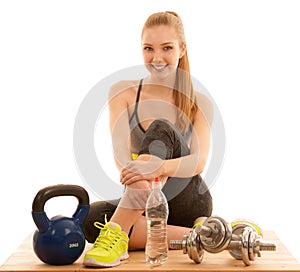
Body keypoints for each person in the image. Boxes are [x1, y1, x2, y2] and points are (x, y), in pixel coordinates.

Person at [83, 11, 213, 268]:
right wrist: (143, 184)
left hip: (187, 200)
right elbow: (121, 155)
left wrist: (156, 168)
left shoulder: (201, 102)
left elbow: (197, 163)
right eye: (148, 48)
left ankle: (118, 235)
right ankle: (200, 235)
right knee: (90, 219)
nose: (157, 58)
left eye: (167, 48)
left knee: (160, 128)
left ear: (182, 49)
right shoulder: (122, 92)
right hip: (140, 199)